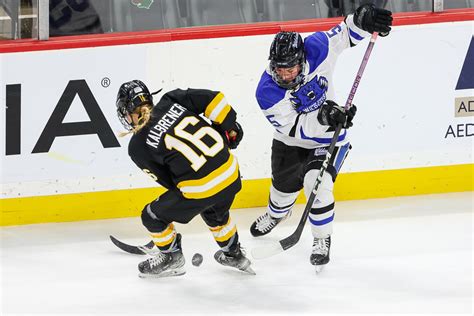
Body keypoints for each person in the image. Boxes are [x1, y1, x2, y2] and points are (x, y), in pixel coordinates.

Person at [250, 4, 392, 270]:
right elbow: (295, 127)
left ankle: (321, 239)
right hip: (290, 141)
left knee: (318, 184)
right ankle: (276, 214)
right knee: (281, 192)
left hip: (331, 140)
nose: (284, 74)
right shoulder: (266, 91)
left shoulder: (317, 47)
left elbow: (347, 32)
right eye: (279, 69)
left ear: (302, 59)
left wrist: (363, 19)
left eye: (290, 69)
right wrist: (326, 116)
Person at [115, 79, 254, 278]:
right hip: (231, 172)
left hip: (203, 187)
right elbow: (215, 100)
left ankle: (171, 257)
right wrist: (228, 129)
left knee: (152, 216)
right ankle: (234, 254)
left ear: (127, 113)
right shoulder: (171, 100)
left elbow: (170, 183)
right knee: (215, 212)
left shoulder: (137, 146)